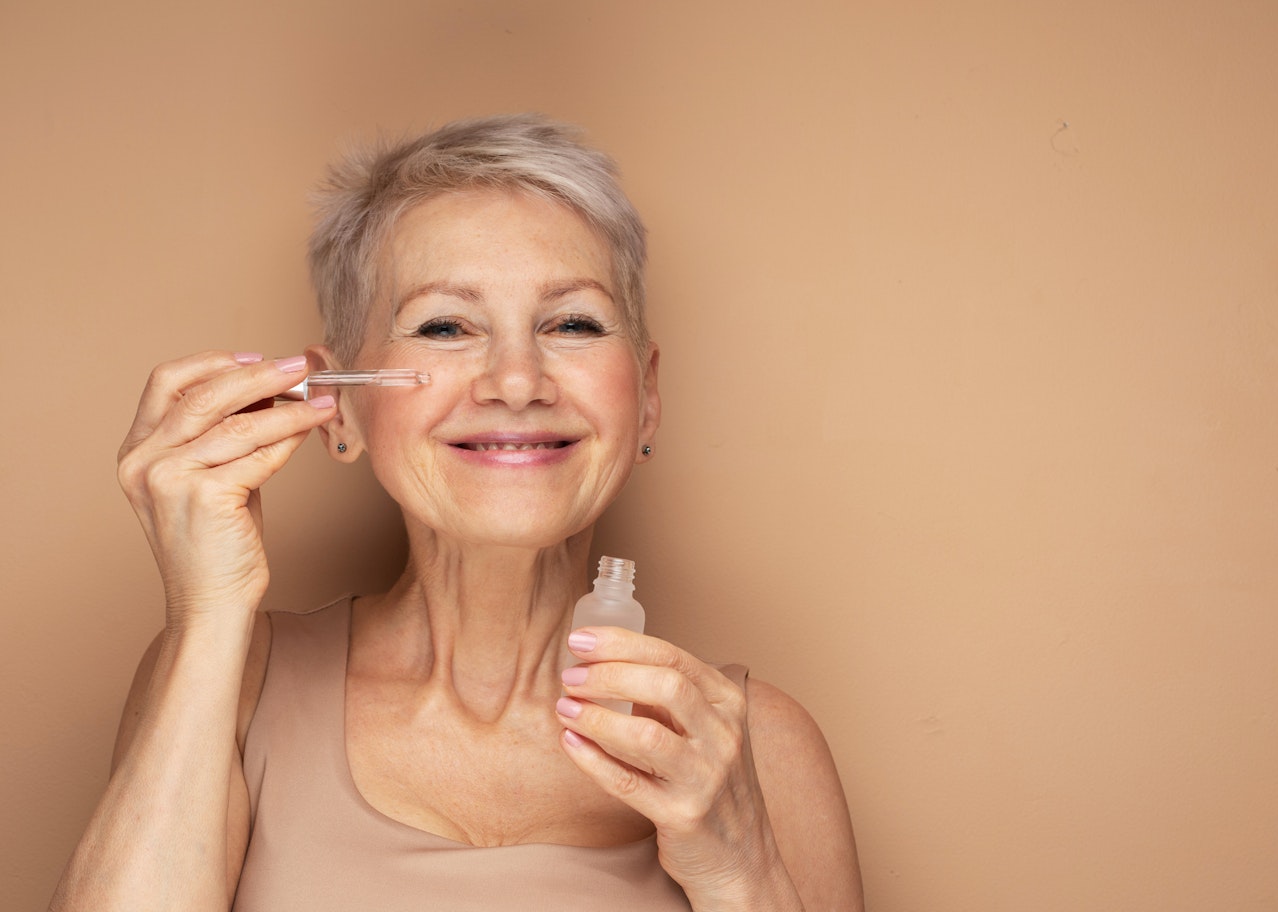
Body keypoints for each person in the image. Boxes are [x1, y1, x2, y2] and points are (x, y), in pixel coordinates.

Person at [50, 114, 864, 911]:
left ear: (647, 397)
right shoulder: (231, 679)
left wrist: (740, 872)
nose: (517, 380)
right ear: (338, 407)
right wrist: (207, 611)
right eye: (444, 326)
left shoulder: (751, 745)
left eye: (573, 323)